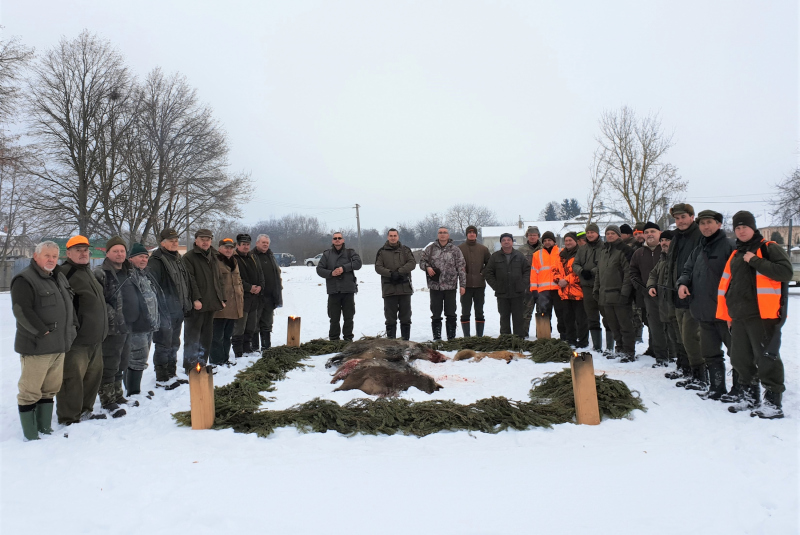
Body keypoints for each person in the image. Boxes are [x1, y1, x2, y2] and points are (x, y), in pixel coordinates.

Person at [716, 211, 793, 419]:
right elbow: (728, 286)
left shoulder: (768, 248)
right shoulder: (736, 254)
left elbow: (786, 272)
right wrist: (730, 315)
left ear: (753, 227)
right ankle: (749, 397)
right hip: (739, 316)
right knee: (741, 359)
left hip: (762, 316)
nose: (741, 231)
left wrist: (756, 262)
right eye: (737, 228)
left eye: (745, 227)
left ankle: (773, 402)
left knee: (766, 358)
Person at [12, 241, 77, 440]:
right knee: (30, 391)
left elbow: (69, 305)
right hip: (37, 346)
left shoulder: (58, 277)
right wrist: (42, 331)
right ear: (36, 256)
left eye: (54, 256)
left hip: (59, 346)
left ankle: (44, 428)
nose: (51, 260)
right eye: (47, 255)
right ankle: (31, 434)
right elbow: (21, 310)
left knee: (49, 390)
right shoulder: (25, 279)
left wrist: (72, 328)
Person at [676, 210, 735, 399]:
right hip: (703, 310)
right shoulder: (699, 248)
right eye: (702, 223)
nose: (705, 227)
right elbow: (687, 269)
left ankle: (743, 391)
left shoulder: (729, 247)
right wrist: (683, 283)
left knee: (737, 353)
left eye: (709, 222)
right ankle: (717, 388)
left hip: (725, 311)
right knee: (710, 352)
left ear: (719, 224)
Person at [55, 236, 108, 425]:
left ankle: (86, 410)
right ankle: (69, 417)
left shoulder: (88, 272)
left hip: (96, 337)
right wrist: (74, 330)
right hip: (77, 341)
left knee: (93, 377)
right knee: (72, 380)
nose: (83, 253)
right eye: (78, 250)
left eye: (85, 250)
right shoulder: (63, 273)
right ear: (68, 253)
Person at [94, 237, 138, 417]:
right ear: (108, 253)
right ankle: (107, 400)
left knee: (122, 361)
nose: (119, 254)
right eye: (115, 251)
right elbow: (98, 301)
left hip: (128, 325)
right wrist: (113, 317)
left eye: (122, 251)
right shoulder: (100, 272)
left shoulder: (129, 271)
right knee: (109, 363)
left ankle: (118, 395)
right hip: (112, 327)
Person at [148, 228, 192, 389]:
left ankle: (171, 373)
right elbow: (153, 288)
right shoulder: (156, 261)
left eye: (176, 240)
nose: (175, 243)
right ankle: (162, 377)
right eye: (171, 241)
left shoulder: (177, 259)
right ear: (162, 243)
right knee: (163, 344)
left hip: (178, 309)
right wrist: (161, 310)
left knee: (174, 343)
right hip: (164, 312)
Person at [665, 203, 704, 385]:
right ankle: (685, 368)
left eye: (683, 217)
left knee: (691, 336)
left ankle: (699, 374)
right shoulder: (677, 237)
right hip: (676, 292)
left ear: (691, 217)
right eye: (677, 218)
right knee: (680, 335)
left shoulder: (699, 236)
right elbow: (671, 265)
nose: (680, 221)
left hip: (692, 293)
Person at [183, 229, 226, 369]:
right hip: (197, 304)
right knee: (193, 337)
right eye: (202, 239)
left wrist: (222, 298)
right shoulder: (189, 257)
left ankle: (202, 364)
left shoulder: (214, 256)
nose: (205, 242)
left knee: (207, 336)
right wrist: (196, 299)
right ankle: (190, 367)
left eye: (208, 239)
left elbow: (219, 279)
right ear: (196, 240)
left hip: (211, 302)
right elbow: (190, 280)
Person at [125, 243, 163, 397]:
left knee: (142, 356)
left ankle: (134, 389)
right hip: (137, 325)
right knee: (136, 358)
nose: (144, 259)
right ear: (131, 258)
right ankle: (133, 392)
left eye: (146, 257)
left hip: (149, 324)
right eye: (140, 256)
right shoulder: (130, 275)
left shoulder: (145, 274)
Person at [594, 225, 636, 361]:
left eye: (613, 233)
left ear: (618, 235)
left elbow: (628, 273)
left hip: (619, 294)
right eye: (608, 233)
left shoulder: (624, 250)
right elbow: (599, 273)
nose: (610, 236)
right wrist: (596, 289)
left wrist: (625, 293)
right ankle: (619, 348)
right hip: (605, 295)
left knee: (625, 324)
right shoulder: (603, 251)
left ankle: (628, 351)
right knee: (612, 324)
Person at [419, 226, 466, 340]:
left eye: (445, 232)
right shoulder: (430, 249)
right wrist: (427, 267)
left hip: (450, 286)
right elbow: (421, 262)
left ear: (448, 235)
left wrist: (462, 285)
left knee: (451, 314)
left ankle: (451, 338)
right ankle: (437, 337)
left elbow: (461, 267)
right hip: (435, 287)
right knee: (436, 314)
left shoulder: (455, 250)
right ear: (437, 235)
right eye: (440, 232)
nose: (442, 234)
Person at [648, 231, 685, 369]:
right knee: (673, 336)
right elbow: (653, 273)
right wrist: (651, 285)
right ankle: (680, 365)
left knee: (682, 337)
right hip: (665, 304)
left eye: (667, 240)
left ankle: (686, 367)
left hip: (678, 303)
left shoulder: (679, 258)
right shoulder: (663, 258)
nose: (663, 243)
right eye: (662, 240)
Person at [631, 223, 667, 366]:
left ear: (660, 233)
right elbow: (633, 273)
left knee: (670, 326)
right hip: (648, 296)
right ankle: (660, 355)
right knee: (654, 325)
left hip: (668, 295)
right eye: (647, 232)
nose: (649, 234)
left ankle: (674, 354)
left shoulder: (666, 249)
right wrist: (644, 289)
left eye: (653, 231)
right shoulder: (638, 253)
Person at [317, 231, 362, 341]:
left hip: (348, 290)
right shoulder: (327, 254)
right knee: (334, 318)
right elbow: (319, 269)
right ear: (332, 240)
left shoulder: (350, 253)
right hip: (333, 290)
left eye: (339, 238)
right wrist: (331, 273)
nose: (337, 240)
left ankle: (348, 338)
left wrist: (343, 268)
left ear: (343, 240)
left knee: (349, 317)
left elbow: (358, 264)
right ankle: (334, 339)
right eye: (335, 238)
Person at [484, 233, 530, 336]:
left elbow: (527, 271)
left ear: (512, 242)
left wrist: (522, 284)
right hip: (502, 293)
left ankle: (518, 338)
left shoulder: (519, 255)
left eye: (508, 240)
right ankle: (506, 338)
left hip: (517, 292)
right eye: (503, 240)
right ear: (501, 242)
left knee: (518, 317)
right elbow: (488, 272)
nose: (506, 242)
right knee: (504, 317)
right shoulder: (495, 256)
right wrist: (496, 286)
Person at [573, 223, 610, 351]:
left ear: (597, 233)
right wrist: (581, 271)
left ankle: (610, 346)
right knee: (592, 316)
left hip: (601, 286)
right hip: (587, 286)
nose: (590, 235)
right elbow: (575, 264)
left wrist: (593, 272)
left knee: (607, 316)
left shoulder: (605, 247)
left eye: (592, 232)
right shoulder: (582, 249)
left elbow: (605, 264)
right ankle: (597, 346)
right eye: (588, 233)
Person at [375, 228, 416, 340]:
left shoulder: (405, 250)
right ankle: (391, 343)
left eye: (395, 235)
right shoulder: (382, 251)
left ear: (398, 237)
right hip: (389, 289)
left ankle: (405, 341)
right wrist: (391, 274)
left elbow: (412, 263)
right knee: (390, 318)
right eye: (391, 236)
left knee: (406, 317)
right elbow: (378, 267)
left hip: (404, 288)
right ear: (388, 237)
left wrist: (400, 272)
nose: (393, 238)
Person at [553, 232, 588, 347]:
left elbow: (581, 271)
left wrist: (567, 280)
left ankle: (583, 341)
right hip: (564, 293)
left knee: (581, 319)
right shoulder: (561, 255)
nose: (568, 243)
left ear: (575, 241)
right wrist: (558, 280)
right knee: (568, 318)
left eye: (570, 240)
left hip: (578, 292)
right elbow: (555, 270)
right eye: (566, 240)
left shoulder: (581, 253)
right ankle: (571, 339)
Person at [212, 238, 243, 365]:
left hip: (234, 304)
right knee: (217, 336)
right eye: (226, 247)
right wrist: (218, 300)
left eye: (231, 248)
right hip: (221, 305)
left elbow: (238, 280)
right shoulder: (215, 262)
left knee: (227, 335)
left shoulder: (234, 261)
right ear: (220, 248)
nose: (229, 250)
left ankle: (225, 358)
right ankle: (216, 360)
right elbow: (213, 283)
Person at [232, 233, 264, 357]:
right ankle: (238, 350)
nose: (246, 247)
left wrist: (260, 286)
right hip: (242, 297)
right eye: (243, 245)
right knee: (240, 325)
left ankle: (247, 347)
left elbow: (260, 274)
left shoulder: (253, 257)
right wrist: (249, 287)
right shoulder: (234, 258)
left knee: (251, 324)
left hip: (255, 296)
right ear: (238, 245)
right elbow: (236, 278)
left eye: (247, 245)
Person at [458, 225, 491, 337]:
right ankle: (467, 337)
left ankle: (479, 336)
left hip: (479, 285)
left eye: (474, 232)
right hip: (465, 286)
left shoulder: (483, 249)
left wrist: (483, 273)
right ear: (467, 234)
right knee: (465, 312)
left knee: (479, 311)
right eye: (469, 232)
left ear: (476, 234)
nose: (472, 234)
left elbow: (490, 264)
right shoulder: (460, 248)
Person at [253, 234, 283, 350]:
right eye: (263, 242)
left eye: (267, 243)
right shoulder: (252, 256)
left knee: (267, 323)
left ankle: (266, 346)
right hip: (256, 296)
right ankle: (254, 347)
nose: (265, 244)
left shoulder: (271, 256)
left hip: (270, 296)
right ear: (257, 243)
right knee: (255, 323)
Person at [531, 231, 562, 339]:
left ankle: (566, 337)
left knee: (562, 314)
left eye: (549, 240)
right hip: (543, 291)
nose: (547, 242)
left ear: (554, 241)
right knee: (543, 314)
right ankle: (543, 337)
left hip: (559, 289)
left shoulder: (561, 252)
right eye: (545, 241)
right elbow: (534, 272)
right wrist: (534, 288)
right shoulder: (537, 254)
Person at [517, 226, 542, 338]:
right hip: (527, 286)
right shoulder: (521, 250)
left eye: (534, 235)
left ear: (538, 236)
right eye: (530, 235)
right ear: (527, 236)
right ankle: (523, 334)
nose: (532, 237)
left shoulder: (544, 249)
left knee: (542, 312)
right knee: (525, 312)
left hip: (542, 285)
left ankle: (542, 335)